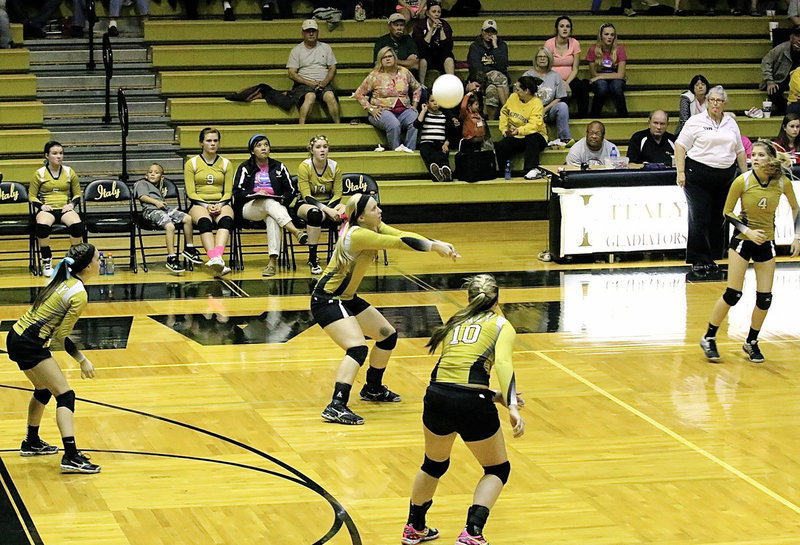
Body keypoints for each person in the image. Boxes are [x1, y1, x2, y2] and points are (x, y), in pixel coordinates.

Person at [313, 193, 459, 425]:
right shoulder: (359, 235)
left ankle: (372, 388)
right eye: (374, 208)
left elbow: (402, 235)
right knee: (357, 348)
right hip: (328, 299)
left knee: (387, 335)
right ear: (361, 217)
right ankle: (336, 405)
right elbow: (398, 244)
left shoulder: (374, 226)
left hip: (347, 298)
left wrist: (436, 243)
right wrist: (434, 247)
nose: (379, 210)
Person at [401, 273, 524, 545]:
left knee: (433, 464)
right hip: (471, 403)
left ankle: (414, 527)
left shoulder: (455, 322)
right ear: (498, 299)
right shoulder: (502, 325)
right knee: (497, 469)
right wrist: (512, 404)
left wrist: (493, 395)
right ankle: (472, 532)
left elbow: (455, 375)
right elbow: (503, 364)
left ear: (468, 298)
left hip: (437, 396)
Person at [699, 140, 800, 364]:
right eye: (752, 154)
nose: (754, 158)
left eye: (760, 155)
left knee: (765, 298)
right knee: (733, 293)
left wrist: (797, 236)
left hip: (767, 242)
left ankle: (751, 341)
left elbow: (796, 207)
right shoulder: (742, 181)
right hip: (743, 241)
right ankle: (709, 336)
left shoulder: (782, 183)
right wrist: (748, 231)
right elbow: (727, 212)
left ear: (771, 159)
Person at [5, 243, 101, 474]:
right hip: (29, 343)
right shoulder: (78, 294)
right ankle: (71, 456)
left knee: (42, 389)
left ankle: (31, 442)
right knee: (65, 395)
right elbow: (61, 336)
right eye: (98, 258)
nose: (101, 261)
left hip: (16, 335)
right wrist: (82, 359)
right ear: (88, 266)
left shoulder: (63, 280)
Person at [675, 85, 748, 277]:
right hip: (697, 174)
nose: (715, 104)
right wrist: (680, 172)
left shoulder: (731, 123)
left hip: (725, 176)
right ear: (707, 102)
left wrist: (746, 175)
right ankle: (698, 259)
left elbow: (740, 150)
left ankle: (713, 258)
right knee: (699, 216)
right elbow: (680, 145)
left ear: (725, 103)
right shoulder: (695, 121)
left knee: (720, 217)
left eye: (719, 101)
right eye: (712, 100)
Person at [233, 134, 308, 277]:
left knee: (272, 217)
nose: (263, 148)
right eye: (259, 145)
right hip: (250, 208)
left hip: (274, 207)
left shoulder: (279, 166)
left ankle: (272, 262)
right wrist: (254, 192)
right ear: (252, 150)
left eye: (266, 145)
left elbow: (291, 190)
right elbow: (237, 192)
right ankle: (296, 232)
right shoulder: (245, 167)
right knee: (268, 202)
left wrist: (281, 200)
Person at [184, 127, 235, 277]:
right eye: (208, 141)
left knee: (226, 220)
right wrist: (206, 205)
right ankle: (215, 258)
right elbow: (191, 192)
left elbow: (228, 191)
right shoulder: (192, 163)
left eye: (215, 141)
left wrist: (220, 204)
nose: (212, 144)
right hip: (199, 203)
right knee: (205, 222)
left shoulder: (226, 163)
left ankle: (216, 257)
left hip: (221, 202)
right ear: (201, 143)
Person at [31, 141, 85, 278]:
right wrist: (42, 206)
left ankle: (73, 261)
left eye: (61, 153)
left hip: (64, 208)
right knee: (42, 226)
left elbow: (78, 193)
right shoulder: (39, 173)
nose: (59, 156)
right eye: (55, 153)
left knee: (77, 225)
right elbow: (31, 196)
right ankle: (47, 260)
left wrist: (72, 205)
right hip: (47, 208)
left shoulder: (69, 172)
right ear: (47, 156)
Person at [134, 163, 202, 273]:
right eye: (150, 172)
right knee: (170, 226)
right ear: (146, 175)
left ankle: (189, 248)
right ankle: (171, 257)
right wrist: (156, 202)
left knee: (187, 218)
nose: (152, 174)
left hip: (164, 209)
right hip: (151, 211)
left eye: (156, 173)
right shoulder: (141, 183)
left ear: (162, 177)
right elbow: (142, 196)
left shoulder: (159, 185)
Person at [355, 46, 422, 152]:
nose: (387, 59)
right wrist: (371, 109)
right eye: (384, 57)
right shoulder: (375, 75)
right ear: (380, 60)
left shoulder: (404, 72)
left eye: (390, 56)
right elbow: (359, 94)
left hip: (405, 109)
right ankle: (395, 150)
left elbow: (417, 87)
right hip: (382, 110)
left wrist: (415, 104)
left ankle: (410, 150)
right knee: (394, 124)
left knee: (415, 120)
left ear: (395, 58)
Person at [295, 135, 345, 275]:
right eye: (318, 147)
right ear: (311, 150)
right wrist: (327, 210)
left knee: (347, 211)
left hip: (329, 203)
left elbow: (337, 194)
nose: (322, 150)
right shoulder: (305, 166)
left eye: (325, 147)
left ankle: (341, 253)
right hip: (306, 204)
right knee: (315, 215)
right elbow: (306, 196)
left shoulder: (334, 166)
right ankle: (313, 258)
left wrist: (330, 208)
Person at [494, 75, 548, 181]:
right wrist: (504, 129)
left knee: (532, 137)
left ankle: (530, 170)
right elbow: (504, 112)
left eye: (518, 89)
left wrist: (519, 130)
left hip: (537, 136)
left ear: (526, 91)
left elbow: (534, 125)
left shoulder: (537, 104)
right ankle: (502, 171)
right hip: (517, 135)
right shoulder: (513, 97)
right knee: (501, 146)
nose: (516, 91)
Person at [287, 19, 341, 125]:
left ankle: (338, 125)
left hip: (323, 82)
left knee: (330, 96)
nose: (311, 33)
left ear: (317, 32)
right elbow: (292, 73)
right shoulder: (296, 50)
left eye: (313, 31)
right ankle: (301, 126)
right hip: (303, 84)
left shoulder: (326, 48)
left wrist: (324, 83)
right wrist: (310, 83)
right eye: (308, 31)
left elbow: (332, 68)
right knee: (310, 96)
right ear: (303, 33)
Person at [523, 47, 572, 147]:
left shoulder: (555, 76)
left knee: (563, 106)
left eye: (545, 57)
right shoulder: (527, 75)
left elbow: (559, 98)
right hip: (530, 112)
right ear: (535, 59)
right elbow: (521, 97)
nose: (542, 59)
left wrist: (544, 110)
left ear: (549, 59)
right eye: (540, 56)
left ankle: (564, 139)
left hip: (548, 110)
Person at [544, 15, 590, 119]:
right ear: (557, 29)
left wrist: (566, 83)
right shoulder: (549, 43)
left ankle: (583, 118)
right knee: (560, 92)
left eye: (567, 26)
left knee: (582, 88)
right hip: (552, 79)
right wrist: (560, 83)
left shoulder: (575, 43)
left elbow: (575, 69)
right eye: (562, 26)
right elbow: (546, 68)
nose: (565, 29)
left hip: (570, 79)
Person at [467, 19, 509, 120]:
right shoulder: (475, 47)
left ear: (496, 34)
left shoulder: (501, 45)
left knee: (492, 90)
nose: (489, 34)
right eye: (487, 31)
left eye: (492, 32)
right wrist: (491, 71)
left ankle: (491, 121)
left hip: (496, 81)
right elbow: (475, 68)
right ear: (482, 32)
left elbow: (503, 65)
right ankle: (507, 111)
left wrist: (495, 47)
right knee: (501, 78)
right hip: (480, 79)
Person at [586, 22, 628, 117]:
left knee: (616, 87)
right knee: (602, 87)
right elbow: (594, 74)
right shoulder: (593, 50)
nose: (609, 37)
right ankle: (594, 116)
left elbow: (621, 75)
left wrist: (600, 76)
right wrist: (599, 77)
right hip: (600, 79)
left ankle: (624, 117)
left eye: (612, 35)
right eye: (606, 34)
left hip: (615, 78)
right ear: (601, 36)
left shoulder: (620, 49)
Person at [414, 94, 459, 181]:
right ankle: (436, 173)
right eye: (432, 101)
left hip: (441, 143)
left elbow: (449, 133)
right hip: (426, 143)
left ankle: (446, 171)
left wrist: (446, 143)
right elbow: (417, 124)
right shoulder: (425, 114)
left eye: (437, 101)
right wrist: (423, 111)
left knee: (443, 156)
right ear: (427, 103)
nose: (435, 103)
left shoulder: (445, 116)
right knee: (429, 155)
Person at [412, 1, 454, 87]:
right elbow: (422, 45)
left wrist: (441, 30)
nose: (437, 14)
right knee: (422, 58)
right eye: (434, 12)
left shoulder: (445, 25)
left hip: (440, 55)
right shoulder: (420, 26)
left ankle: (452, 83)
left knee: (448, 57)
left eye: (439, 12)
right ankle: (422, 85)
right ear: (427, 13)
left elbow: (447, 46)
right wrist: (431, 30)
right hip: (427, 55)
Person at [760, 27, 800, 116]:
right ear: (791, 37)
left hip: (797, 80)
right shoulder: (781, 48)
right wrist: (770, 81)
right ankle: (788, 111)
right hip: (781, 79)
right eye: (797, 36)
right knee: (773, 92)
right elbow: (766, 62)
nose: (799, 39)